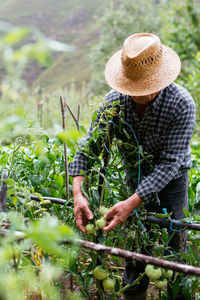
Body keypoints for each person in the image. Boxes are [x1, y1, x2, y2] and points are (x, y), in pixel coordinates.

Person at [69, 33, 196, 299]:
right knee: (138, 240)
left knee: (175, 234)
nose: (140, 93)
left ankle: (176, 292)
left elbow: (170, 163)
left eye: (146, 85)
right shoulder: (113, 103)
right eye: (134, 86)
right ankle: (133, 292)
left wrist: (131, 201)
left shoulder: (181, 104)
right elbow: (89, 147)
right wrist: (78, 193)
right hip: (134, 175)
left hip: (173, 178)